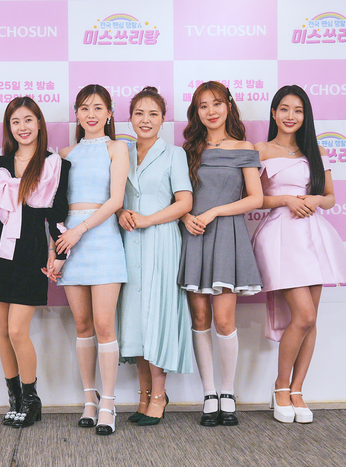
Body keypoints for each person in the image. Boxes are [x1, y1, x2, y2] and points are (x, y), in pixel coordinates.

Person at [251, 85, 346, 424]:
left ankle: (297, 390)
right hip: (280, 235)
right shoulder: (261, 149)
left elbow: (330, 197)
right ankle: (280, 387)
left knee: (311, 320)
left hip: (313, 234)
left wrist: (315, 199)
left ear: (305, 115)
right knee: (304, 316)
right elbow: (253, 198)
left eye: (297, 110)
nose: (290, 116)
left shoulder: (315, 150)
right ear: (273, 112)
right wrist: (285, 200)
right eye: (284, 109)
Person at [0, 97, 70, 428]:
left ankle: (31, 399)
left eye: (28, 120)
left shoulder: (55, 165)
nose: (22, 127)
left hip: (30, 253)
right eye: (15, 121)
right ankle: (14, 399)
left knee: (17, 330)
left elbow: (57, 215)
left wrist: (59, 254)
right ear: (9, 127)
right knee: (3, 331)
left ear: (39, 123)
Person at [178, 81, 263, 427]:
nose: (211, 111)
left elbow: (256, 198)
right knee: (199, 319)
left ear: (228, 106)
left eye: (216, 103)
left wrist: (214, 212)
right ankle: (209, 393)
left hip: (227, 235)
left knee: (224, 320)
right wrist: (185, 216)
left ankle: (228, 392)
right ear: (196, 112)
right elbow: (177, 196)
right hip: (195, 237)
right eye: (203, 106)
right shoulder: (187, 151)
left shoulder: (244, 148)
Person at [54, 84, 129, 436]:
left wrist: (80, 230)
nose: (91, 114)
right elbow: (55, 206)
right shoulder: (65, 153)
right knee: (82, 325)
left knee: (104, 325)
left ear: (109, 113)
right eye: (84, 108)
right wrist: (56, 250)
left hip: (101, 240)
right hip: (70, 243)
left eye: (98, 108)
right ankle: (89, 399)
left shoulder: (117, 148)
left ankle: (109, 403)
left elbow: (115, 200)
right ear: (76, 113)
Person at [116, 87, 194, 426]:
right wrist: (121, 212)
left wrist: (148, 219)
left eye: (153, 114)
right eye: (139, 113)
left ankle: (159, 396)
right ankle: (143, 395)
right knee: (134, 317)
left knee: (157, 315)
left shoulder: (174, 154)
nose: (145, 120)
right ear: (130, 118)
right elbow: (114, 197)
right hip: (128, 242)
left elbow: (185, 202)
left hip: (161, 241)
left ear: (163, 119)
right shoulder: (122, 153)